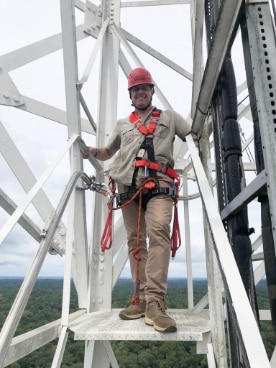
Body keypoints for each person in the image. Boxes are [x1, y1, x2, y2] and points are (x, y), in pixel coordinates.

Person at [84, 67, 193, 333]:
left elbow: (195, 134)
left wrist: (213, 117)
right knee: (135, 241)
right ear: (131, 96)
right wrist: (87, 151)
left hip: (159, 184)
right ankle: (142, 299)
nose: (140, 92)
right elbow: (109, 151)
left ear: (151, 91)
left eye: (144, 88)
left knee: (158, 231)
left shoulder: (169, 117)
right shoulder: (124, 124)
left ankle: (156, 301)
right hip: (128, 186)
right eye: (136, 89)